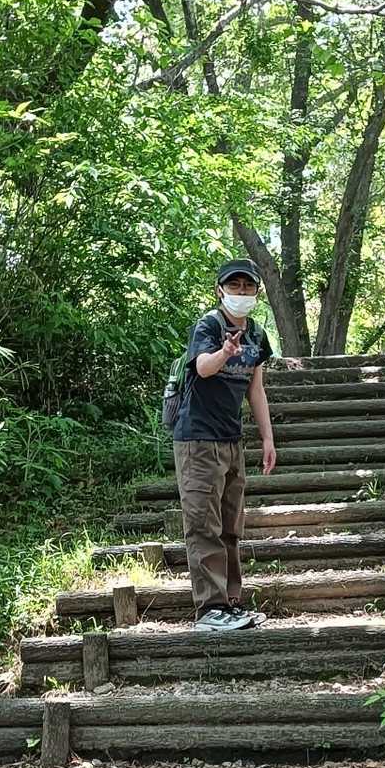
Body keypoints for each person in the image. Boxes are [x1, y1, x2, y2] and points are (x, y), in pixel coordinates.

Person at [172, 258, 277, 632]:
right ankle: (209, 609)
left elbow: (256, 390)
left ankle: (231, 603)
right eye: (234, 286)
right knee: (204, 524)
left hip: (231, 441)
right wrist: (225, 352)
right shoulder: (209, 325)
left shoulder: (257, 335)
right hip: (198, 440)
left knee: (231, 525)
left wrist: (267, 438)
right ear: (220, 290)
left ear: (257, 291)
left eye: (248, 286)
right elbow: (202, 367)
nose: (241, 292)